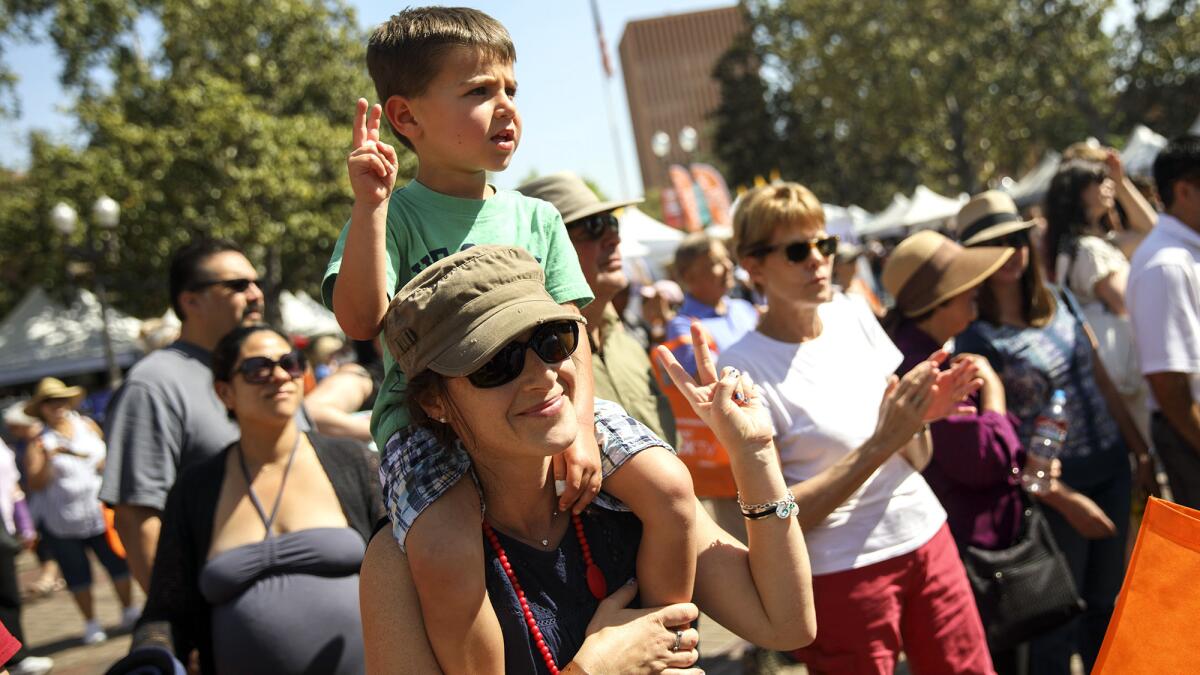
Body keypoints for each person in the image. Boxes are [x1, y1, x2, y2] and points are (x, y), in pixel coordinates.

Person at [325, 8, 697, 672]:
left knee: (670, 487)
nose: (505, 108)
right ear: (406, 119)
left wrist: (582, 428)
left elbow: (573, 331)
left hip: (552, 404)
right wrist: (369, 208)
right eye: (477, 91)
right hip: (428, 425)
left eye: (511, 90)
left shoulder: (538, 215)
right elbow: (359, 319)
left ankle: (658, 648)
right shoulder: (391, 215)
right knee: (441, 551)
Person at [361, 243, 827, 673]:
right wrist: (595, 668)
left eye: (552, 341)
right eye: (494, 363)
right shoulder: (401, 561)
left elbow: (785, 624)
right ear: (434, 404)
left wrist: (754, 453)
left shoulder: (628, 497)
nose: (542, 375)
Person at [719, 182, 994, 674]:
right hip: (842, 574)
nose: (818, 261)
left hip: (926, 536)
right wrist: (882, 442)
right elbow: (778, 521)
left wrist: (919, 417)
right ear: (753, 266)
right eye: (798, 250)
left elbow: (919, 457)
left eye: (824, 244)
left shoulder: (851, 311)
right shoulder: (741, 367)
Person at [882, 229, 1120, 672]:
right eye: (964, 285)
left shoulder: (932, 351)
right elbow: (982, 461)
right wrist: (993, 393)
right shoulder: (922, 367)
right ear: (940, 299)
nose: (977, 290)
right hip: (975, 552)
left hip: (984, 546)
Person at [955, 190, 1153, 674]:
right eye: (997, 242)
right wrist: (1060, 495)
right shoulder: (976, 337)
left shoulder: (1061, 299)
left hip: (1110, 467)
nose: (1014, 250)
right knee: (1057, 621)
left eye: (1019, 237)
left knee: (1108, 606)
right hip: (1051, 494)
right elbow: (1000, 437)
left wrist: (1139, 452)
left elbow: (1100, 379)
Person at [133, 325, 384, 674]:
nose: (280, 375)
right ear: (225, 392)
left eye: (291, 363)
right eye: (257, 368)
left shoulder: (353, 461)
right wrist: (149, 657)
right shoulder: (196, 489)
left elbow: (405, 566)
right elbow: (165, 610)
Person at [101, 239, 266, 592]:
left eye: (256, 283)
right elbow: (137, 519)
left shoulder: (271, 371)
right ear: (190, 301)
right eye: (237, 286)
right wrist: (177, 621)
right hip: (219, 611)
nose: (255, 295)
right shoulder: (153, 386)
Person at [517, 171, 676, 445]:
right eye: (592, 226)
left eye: (612, 222)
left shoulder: (628, 342)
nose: (614, 238)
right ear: (547, 251)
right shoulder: (535, 368)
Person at [1045, 154, 1157, 437]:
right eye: (1097, 181)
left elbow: (1151, 230)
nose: (1107, 186)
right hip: (1121, 366)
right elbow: (1124, 302)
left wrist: (1122, 183)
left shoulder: (1084, 244)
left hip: (1115, 365)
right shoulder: (1090, 250)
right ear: (1077, 194)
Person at [23, 378, 135, 645]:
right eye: (50, 402)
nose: (56, 406)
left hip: (99, 512)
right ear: (42, 408)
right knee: (76, 574)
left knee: (117, 563)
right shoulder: (39, 442)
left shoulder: (86, 425)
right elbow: (35, 483)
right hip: (63, 520)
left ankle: (130, 610)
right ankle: (91, 622)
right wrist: (48, 459)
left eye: (60, 400)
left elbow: (109, 455)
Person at [1128, 135, 1200, 508]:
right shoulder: (1166, 265)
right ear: (1184, 191)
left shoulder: (1184, 253)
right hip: (1189, 438)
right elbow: (1170, 388)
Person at [665, 233, 759, 378]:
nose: (729, 266)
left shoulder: (744, 308)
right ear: (688, 276)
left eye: (727, 258)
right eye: (716, 262)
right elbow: (708, 379)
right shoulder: (684, 326)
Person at [0, 435, 54, 675]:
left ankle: (15, 657)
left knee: (8, 592)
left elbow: (11, 482)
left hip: (3, 521)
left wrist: (23, 519)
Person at [2, 404, 61, 600]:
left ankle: (49, 577)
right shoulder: (22, 443)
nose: (11, 431)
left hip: (46, 502)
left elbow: (34, 479)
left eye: (14, 426)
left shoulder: (38, 441)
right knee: (42, 542)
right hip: (31, 502)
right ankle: (50, 577)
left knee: (46, 541)